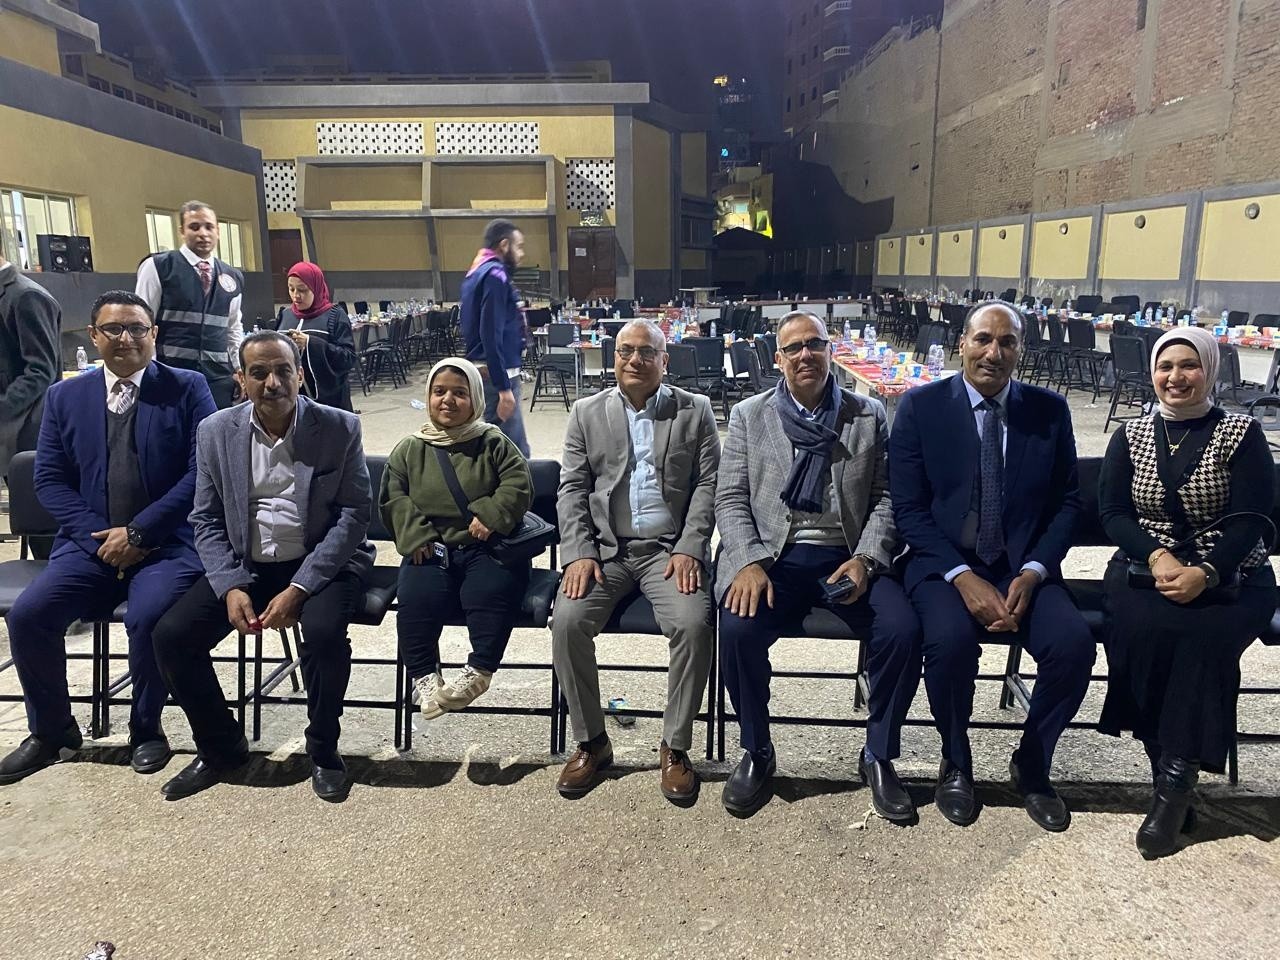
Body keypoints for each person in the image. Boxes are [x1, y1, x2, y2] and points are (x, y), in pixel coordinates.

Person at [889, 300, 1095, 832]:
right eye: (983, 339)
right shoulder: (920, 407)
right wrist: (962, 577)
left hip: (1021, 564)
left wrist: (1035, 570)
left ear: (1021, 350)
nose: (993, 352)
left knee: (1074, 646)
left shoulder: (1048, 412)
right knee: (949, 643)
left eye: (1007, 342)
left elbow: (1067, 503)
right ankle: (956, 760)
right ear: (962, 343)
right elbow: (909, 509)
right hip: (943, 563)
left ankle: (1033, 763)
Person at [0, 291, 216, 784]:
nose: (126, 338)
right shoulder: (65, 396)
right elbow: (49, 478)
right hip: (89, 546)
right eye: (114, 329)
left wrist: (140, 531)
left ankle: (146, 730)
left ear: (153, 334)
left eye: (137, 328)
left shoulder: (187, 388)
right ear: (93, 336)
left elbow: (202, 471)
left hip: (168, 544)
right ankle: (51, 731)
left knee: (148, 617)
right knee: (30, 616)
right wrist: (98, 537)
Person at [151, 331, 374, 802]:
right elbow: (206, 518)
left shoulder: (339, 427)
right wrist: (230, 584)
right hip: (247, 562)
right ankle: (220, 747)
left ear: (300, 375)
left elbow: (355, 515)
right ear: (241, 379)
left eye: (282, 371)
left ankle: (323, 750)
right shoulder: (215, 431)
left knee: (324, 634)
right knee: (172, 636)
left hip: (320, 561)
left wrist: (300, 587)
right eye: (259, 373)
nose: (272, 383)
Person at [715, 311, 917, 819]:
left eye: (815, 344)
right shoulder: (749, 415)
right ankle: (757, 749)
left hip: (846, 556)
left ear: (830, 351)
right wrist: (748, 561)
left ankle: (878, 754)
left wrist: (866, 559)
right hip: (773, 556)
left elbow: (887, 497)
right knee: (735, 629)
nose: (805, 354)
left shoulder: (867, 414)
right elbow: (730, 498)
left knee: (903, 629)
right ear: (778, 359)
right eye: (794, 348)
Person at [1099, 326, 1275, 859]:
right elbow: (1114, 513)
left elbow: (1252, 517)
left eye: (1188, 365)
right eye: (1165, 366)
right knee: (1142, 630)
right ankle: (1171, 777)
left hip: (1233, 573)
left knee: (1199, 639)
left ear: (1210, 370)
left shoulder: (1241, 433)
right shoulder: (1131, 434)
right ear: (1153, 372)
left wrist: (1208, 571)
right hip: (1145, 567)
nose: (1176, 377)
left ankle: (1174, 785)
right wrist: (1159, 557)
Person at [552, 319, 720, 804]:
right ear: (614, 358)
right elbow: (572, 489)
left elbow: (709, 485)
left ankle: (675, 746)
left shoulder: (695, 410)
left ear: (665, 361)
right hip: (606, 552)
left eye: (647, 352)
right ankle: (592, 742)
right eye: (626, 350)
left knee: (693, 625)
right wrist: (578, 552)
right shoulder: (586, 412)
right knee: (567, 622)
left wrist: (690, 545)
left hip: (668, 552)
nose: (635, 360)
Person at [379, 358, 532, 720]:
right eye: (439, 391)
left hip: (486, 546)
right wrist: (415, 534)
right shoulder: (410, 448)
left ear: (475, 399)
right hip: (430, 547)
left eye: (459, 393)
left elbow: (518, 483)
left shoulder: (493, 441)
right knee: (416, 600)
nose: (448, 399)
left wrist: (491, 514)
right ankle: (424, 676)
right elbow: (393, 496)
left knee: (488, 594)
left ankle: (479, 670)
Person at [135, 200, 244, 409]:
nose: (203, 233)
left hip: (217, 380)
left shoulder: (232, 276)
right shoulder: (158, 267)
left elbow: (233, 329)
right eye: (194, 227)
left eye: (209, 227)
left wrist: (240, 369)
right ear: (182, 231)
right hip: (170, 377)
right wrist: (149, 371)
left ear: (218, 231)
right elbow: (141, 325)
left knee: (217, 430)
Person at [461, 218, 530, 457]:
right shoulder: (494, 275)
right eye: (518, 246)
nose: (521, 254)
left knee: (496, 446)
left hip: (487, 370)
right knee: (514, 453)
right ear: (504, 245)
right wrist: (503, 388)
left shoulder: (477, 272)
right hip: (497, 374)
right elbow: (490, 332)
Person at [0, 254, 61, 476]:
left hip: (26, 430)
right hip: (8, 430)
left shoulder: (26, 295)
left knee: (31, 494)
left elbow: (40, 370)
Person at [276, 261, 356, 411]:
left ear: (316, 288)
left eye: (302, 290)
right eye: (291, 289)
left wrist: (311, 343)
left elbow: (348, 358)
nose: (296, 295)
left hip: (329, 402)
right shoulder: (285, 315)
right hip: (292, 402)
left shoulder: (335, 315)